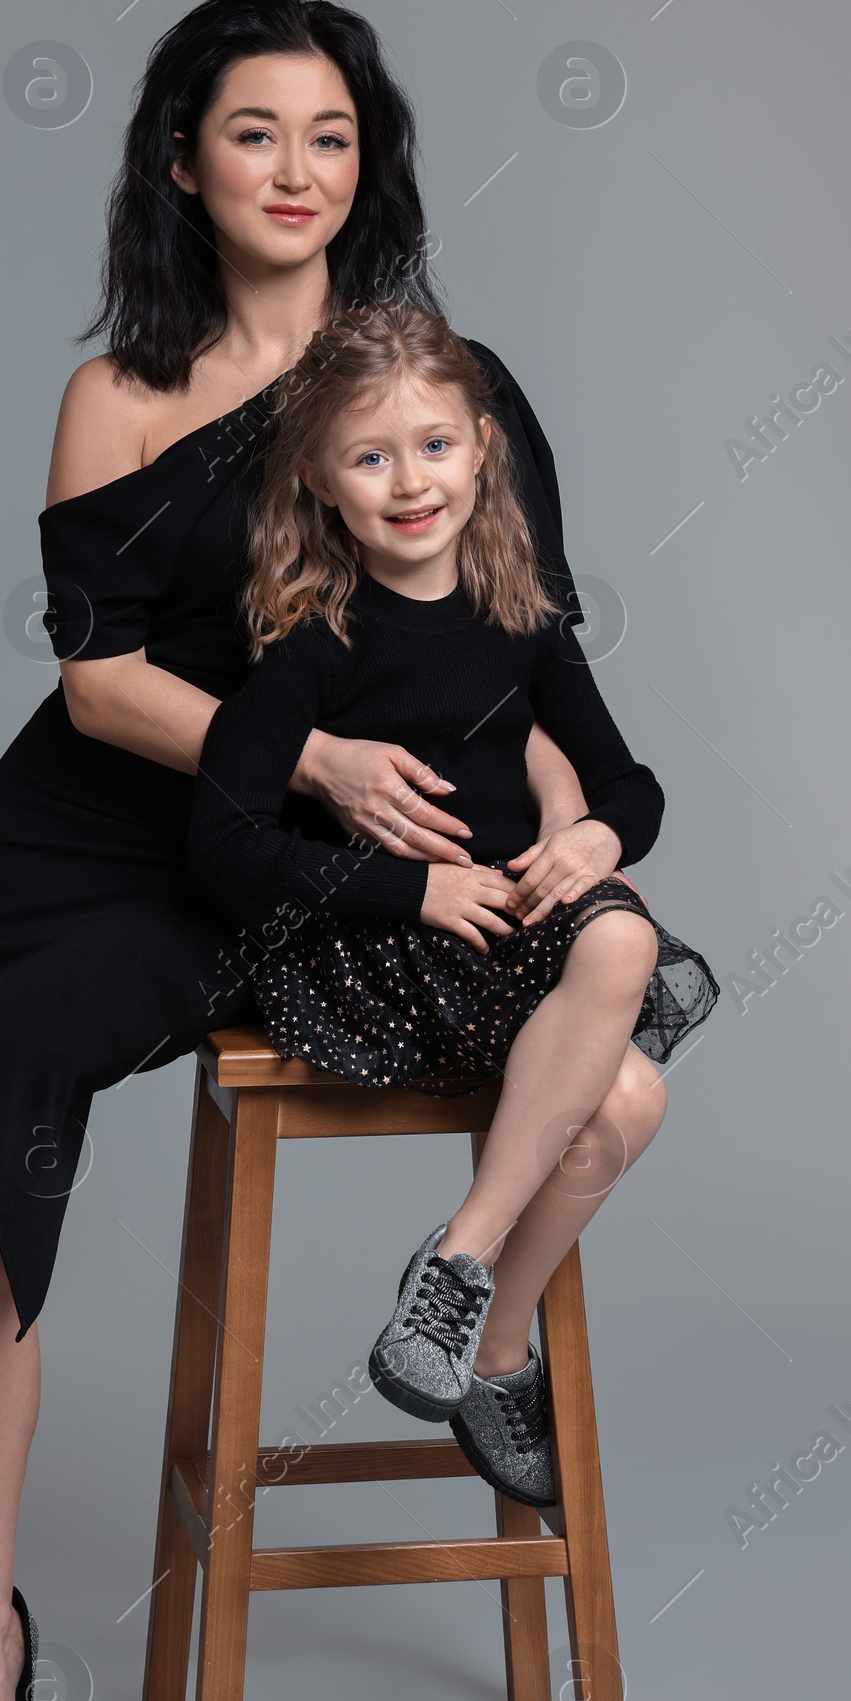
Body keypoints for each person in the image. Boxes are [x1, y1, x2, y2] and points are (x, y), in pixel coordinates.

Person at [0, 0, 597, 1701]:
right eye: (258, 132)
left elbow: (525, 656)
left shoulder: (446, 383)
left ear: (372, 169)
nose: (298, 169)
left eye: (333, 135)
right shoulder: (113, 393)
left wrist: (559, 831)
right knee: (5, 1109)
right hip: (85, 833)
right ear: (184, 162)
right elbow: (102, 685)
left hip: (277, 875)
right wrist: (313, 757)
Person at [189, 303, 717, 1507]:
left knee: (624, 926)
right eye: (369, 458)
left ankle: (464, 1280)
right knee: (630, 1092)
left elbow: (636, 785)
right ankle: (490, 1335)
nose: (409, 482)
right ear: (322, 482)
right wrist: (411, 888)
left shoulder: (520, 619)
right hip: (380, 944)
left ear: (483, 450)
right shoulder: (311, 645)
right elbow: (220, 843)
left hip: (506, 937)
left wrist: (590, 835)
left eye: (434, 447)